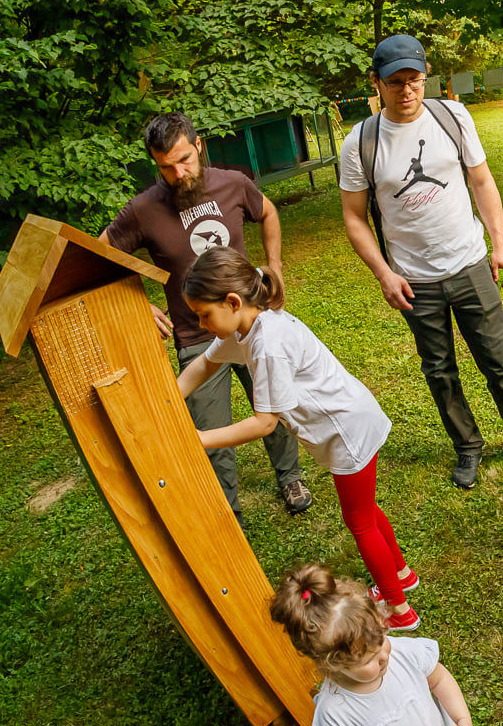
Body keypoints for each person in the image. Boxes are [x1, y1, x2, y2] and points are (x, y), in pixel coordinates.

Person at [339, 33, 503, 491]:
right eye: (396, 82)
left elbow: (480, 180)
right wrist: (384, 273)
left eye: (415, 79)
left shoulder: (451, 116)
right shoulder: (360, 142)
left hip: (470, 262)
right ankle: (467, 446)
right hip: (414, 280)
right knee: (439, 370)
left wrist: (498, 242)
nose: (408, 91)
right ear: (376, 82)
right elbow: (354, 219)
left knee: (499, 360)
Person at [176, 247, 423, 633]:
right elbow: (205, 363)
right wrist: (170, 399)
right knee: (366, 511)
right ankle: (402, 575)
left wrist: (199, 439)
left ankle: (398, 608)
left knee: (359, 522)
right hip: (351, 421)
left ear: (232, 301)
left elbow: (263, 423)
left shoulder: (267, 344)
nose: (203, 324)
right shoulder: (247, 327)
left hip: (347, 431)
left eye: (204, 314)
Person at [102, 112, 311, 524]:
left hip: (250, 322)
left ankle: (291, 477)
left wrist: (274, 267)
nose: (178, 173)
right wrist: (136, 304)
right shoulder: (143, 209)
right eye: (166, 166)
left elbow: (268, 212)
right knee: (210, 431)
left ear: (199, 146)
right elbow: (99, 256)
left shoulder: (233, 183)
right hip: (194, 333)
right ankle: (227, 511)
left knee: (275, 404)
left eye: (184, 160)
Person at [269, 563, 480, 726]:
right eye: (368, 658)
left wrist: (461, 717)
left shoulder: (402, 653)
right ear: (333, 666)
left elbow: (439, 678)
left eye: (382, 639)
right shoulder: (334, 709)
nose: (383, 655)